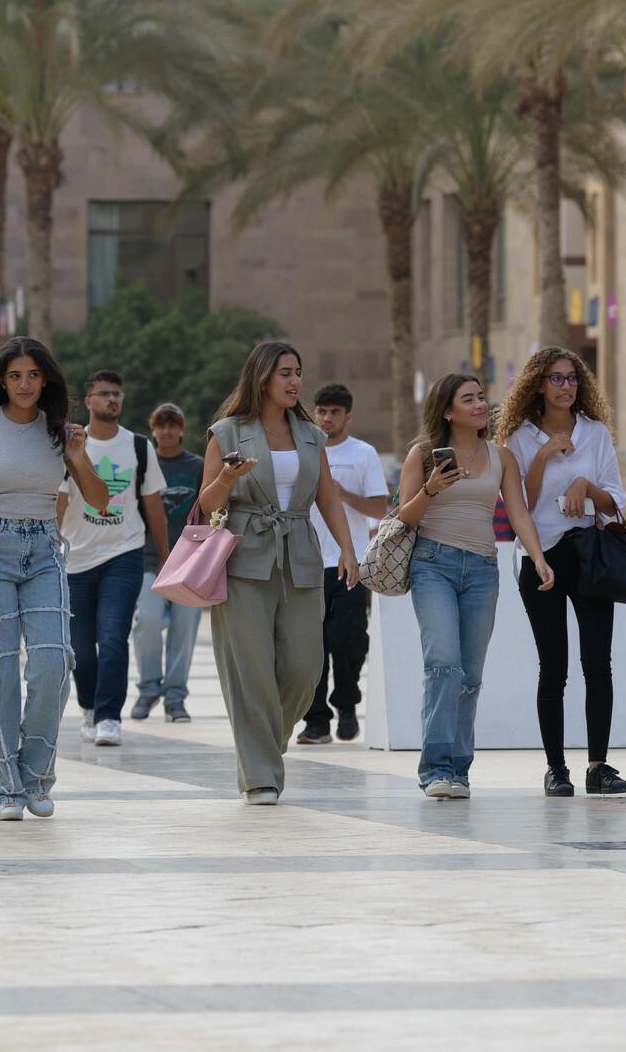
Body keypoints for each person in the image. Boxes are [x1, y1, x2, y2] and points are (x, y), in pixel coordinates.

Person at [198, 341, 360, 806]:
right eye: (285, 373)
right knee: (250, 672)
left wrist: (347, 547)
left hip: (302, 557)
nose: (295, 382)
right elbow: (208, 504)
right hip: (244, 557)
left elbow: (327, 496)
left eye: (298, 372)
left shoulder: (311, 434)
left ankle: (267, 744)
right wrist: (229, 478)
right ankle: (261, 776)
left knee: (305, 667)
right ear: (262, 378)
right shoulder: (227, 432)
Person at [0, 336, 108, 820]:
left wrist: (78, 456)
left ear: (46, 380)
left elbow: (101, 502)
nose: (25, 384)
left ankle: (36, 776)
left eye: (34, 375)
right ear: (2, 380)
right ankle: (5, 789)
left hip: (43, 548)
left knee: (53, 662)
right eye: (15, 375)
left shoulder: (58, 432)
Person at [395, 373, 552, 797]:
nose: (482, 404)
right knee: (443, 665)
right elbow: (403, 518)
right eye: (470, 399)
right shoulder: (423, 455)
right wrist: (430, 488)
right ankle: (435, 770)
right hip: (433, 565)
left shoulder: (501, 456)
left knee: (470, 676)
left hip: (483, 569)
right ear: (448, 410)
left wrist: (537, 557)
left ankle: (459, 771)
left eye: (482, 397)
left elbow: (518, 513)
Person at [498, 347, 626, 797]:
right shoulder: (517, 439)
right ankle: (556, 768)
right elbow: (521, 504)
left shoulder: (595, 434)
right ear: (537, 384)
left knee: (599, 663)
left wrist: (586, 485)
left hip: (590, 557)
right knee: (552, 667)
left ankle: (599, 766)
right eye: (556, 378)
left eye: (573, 378)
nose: (566, 386)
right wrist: (542, 458)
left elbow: (616, 500)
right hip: (541, 558)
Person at [57, 369, 168, 747]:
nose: (112, 400)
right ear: (88, 402)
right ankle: (88, 704)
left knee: (113, 637)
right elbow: (58, 504)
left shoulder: (138, 446)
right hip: (76, 559)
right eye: (104, 394)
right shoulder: (70, 446)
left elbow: (153, 506)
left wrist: (167, 558)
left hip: (125, 553)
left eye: (117, 394)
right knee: (81, 649)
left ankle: (108, 716)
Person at [298, 383, 389, 745]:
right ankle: (316, 720)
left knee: (348, 640)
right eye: (322, 411)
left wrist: (342, 494)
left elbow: (381, 508)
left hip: (349, 562)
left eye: (335, 412)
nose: (327, 418)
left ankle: (347, 704)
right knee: (310, 645)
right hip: (307, 563)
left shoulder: (363, 454)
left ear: (348, 416)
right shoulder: (303, 449)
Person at [131, 402, 206, 723]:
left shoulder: (198, 466)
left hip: (189, 563)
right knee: (146, 622)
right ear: (153, 430)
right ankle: (149, 688)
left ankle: (175, 698)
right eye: (161, 425)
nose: (167, 431)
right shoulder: (143, 464)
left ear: (182, 429)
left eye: (172, 425)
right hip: (148, 559)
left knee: (184, 630)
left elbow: (209, 509)